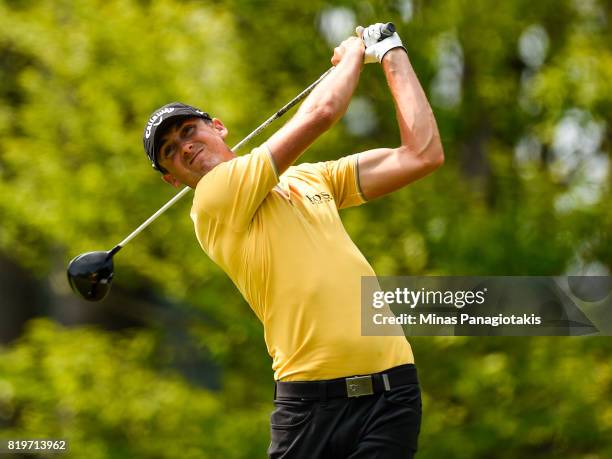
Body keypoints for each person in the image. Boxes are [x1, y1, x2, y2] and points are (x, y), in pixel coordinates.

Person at [142, 23, 443, 459]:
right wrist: (357, 52)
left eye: (188, 131)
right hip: (311, 407)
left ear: (218, 127)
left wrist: (393, 53)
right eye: (170, 150)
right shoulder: (212, 199)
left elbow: (422, 155)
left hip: (392, 393)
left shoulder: (308, 178)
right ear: (173, 180)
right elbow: (321, 113)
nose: (184, 147)